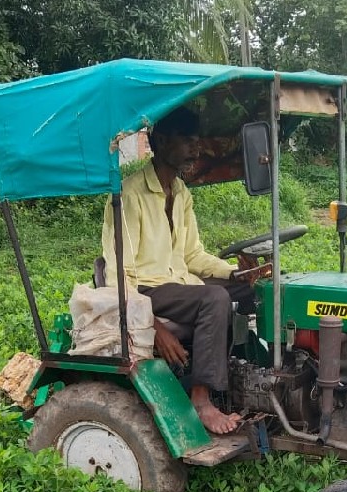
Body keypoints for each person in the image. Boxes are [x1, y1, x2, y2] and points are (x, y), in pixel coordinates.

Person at [102, 106, 261, 435]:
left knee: (252, 289)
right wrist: (154, 326)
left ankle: (254, 376)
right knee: (214, 299)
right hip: (147, 290)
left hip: (179, 283)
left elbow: (192, 255)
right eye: (187, 140)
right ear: (161, 141)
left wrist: (235, 273)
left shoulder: (180, 192)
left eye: (196, 140)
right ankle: (201, 400)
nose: (195, 148)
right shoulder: (130, 194)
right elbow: (118, 273)